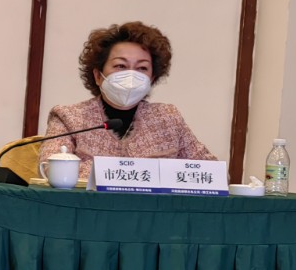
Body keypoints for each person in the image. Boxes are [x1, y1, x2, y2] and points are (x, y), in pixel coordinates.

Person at [39, 21, 215, 182]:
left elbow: (211, 172)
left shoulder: (168, 118)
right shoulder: (69, 117)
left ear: (152, 79)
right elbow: (50, 169)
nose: (131, 75)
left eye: (142, 68)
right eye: (120, 66)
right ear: (98, 76)